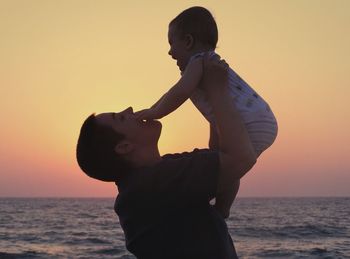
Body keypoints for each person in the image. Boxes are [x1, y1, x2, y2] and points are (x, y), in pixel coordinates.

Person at [76, 56, 256, 258]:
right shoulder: (154, 185)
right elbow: (240, 158)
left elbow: (225, 170)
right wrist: (217, 90)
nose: (130, 110)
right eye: (121, 117)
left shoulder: (156, 178)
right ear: (124, 147)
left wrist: (210, 103)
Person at [135, 6, 278, 217]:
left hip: (250, 120)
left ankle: (217, 208)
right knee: (228, 164)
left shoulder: (198, 61)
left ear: (188, 41)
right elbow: (216, 105)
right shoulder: (212, 63)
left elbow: (179, 92)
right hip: (262, 117)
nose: (170, 52)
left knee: (227, 164)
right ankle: (222, 210)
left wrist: (155, 111)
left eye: (171, 43)